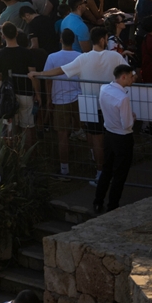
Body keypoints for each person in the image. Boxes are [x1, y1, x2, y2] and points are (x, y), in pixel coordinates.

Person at [32, 27, 127, 186]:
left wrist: (38, 74)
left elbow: (58, 71)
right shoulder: (115, 56)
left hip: (89, 103)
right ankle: (116, 172)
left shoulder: (83, 59)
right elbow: (130, 74)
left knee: (96, 140)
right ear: (104, 39)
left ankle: (100, 174)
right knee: (112, 138)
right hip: (111, 103)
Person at [94, 64, 136, 213]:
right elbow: (127, 124)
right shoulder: (123, 98)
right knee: (119, 174)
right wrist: (132, 118)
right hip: (122, 138)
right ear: (123, 77)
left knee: (107, 170)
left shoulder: (104, 89)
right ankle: (112, 205)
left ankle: (98, 201)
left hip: (109, 134)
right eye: (131, 76)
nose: (133, 79)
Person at [43, 29, 81, 175]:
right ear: (74, 40)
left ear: (60, 40)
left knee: (62, 136)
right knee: (88, 132)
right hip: (78, 97)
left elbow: (48, 80)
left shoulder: (52, 57)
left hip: (59, 100)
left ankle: (64, 170)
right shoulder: (80, 56)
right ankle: (93, 162)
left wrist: (49, 99)